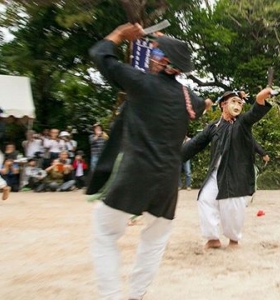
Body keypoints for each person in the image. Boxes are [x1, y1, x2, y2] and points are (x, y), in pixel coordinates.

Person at [87, 23, 206, 300]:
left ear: (164, 61)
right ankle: (137, 295)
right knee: (154, 241)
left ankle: (111, 296)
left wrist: (118, 35)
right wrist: (168, 46)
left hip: (135, 174)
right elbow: (198, 105)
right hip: (167, 181)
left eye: (154, 51)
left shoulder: (140, 83)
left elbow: (100, 54)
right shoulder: (189, 98)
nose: (149, 53)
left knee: (104, 233)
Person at [182, 88, 273, 250]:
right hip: (216, 174)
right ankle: (212, 239)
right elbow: (194, 145)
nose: (237, 105)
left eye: (239, 102)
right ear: (223, 105)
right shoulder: (214, 127)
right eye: (233, 101)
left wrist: (260, 99)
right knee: (205, 199)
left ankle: (233, 240)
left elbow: (255, 113)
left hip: (237, 174)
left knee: (232, 206)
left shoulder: (243, 123)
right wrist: (172, 157)